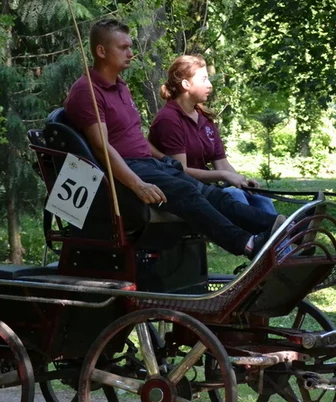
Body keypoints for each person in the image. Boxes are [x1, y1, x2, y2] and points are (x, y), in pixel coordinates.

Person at [62, 18, 281, 259]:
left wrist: (165, 161)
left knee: (211, 193)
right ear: (101, 51)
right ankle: (248, 244)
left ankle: (280, 226)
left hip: (148, 164)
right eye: (123, 48)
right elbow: (101, 148)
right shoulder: (87, 91)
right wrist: (138, 184)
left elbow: (135, 139)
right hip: (124, 172)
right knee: (186, 192)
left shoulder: (121, 87)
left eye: (130, 47)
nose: (131, 53)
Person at [148, 55, 280, 217]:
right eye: (203, 79)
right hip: (183, 192)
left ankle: (286, 239)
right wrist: (224, 176)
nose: (209, 85)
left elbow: (222, 163)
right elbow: (180, 172)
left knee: (261, 199)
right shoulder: (169, 119)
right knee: (235, 196)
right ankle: (263, 238)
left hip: (208, 189)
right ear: (186, 84)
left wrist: (242, 181)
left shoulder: (204, 118)